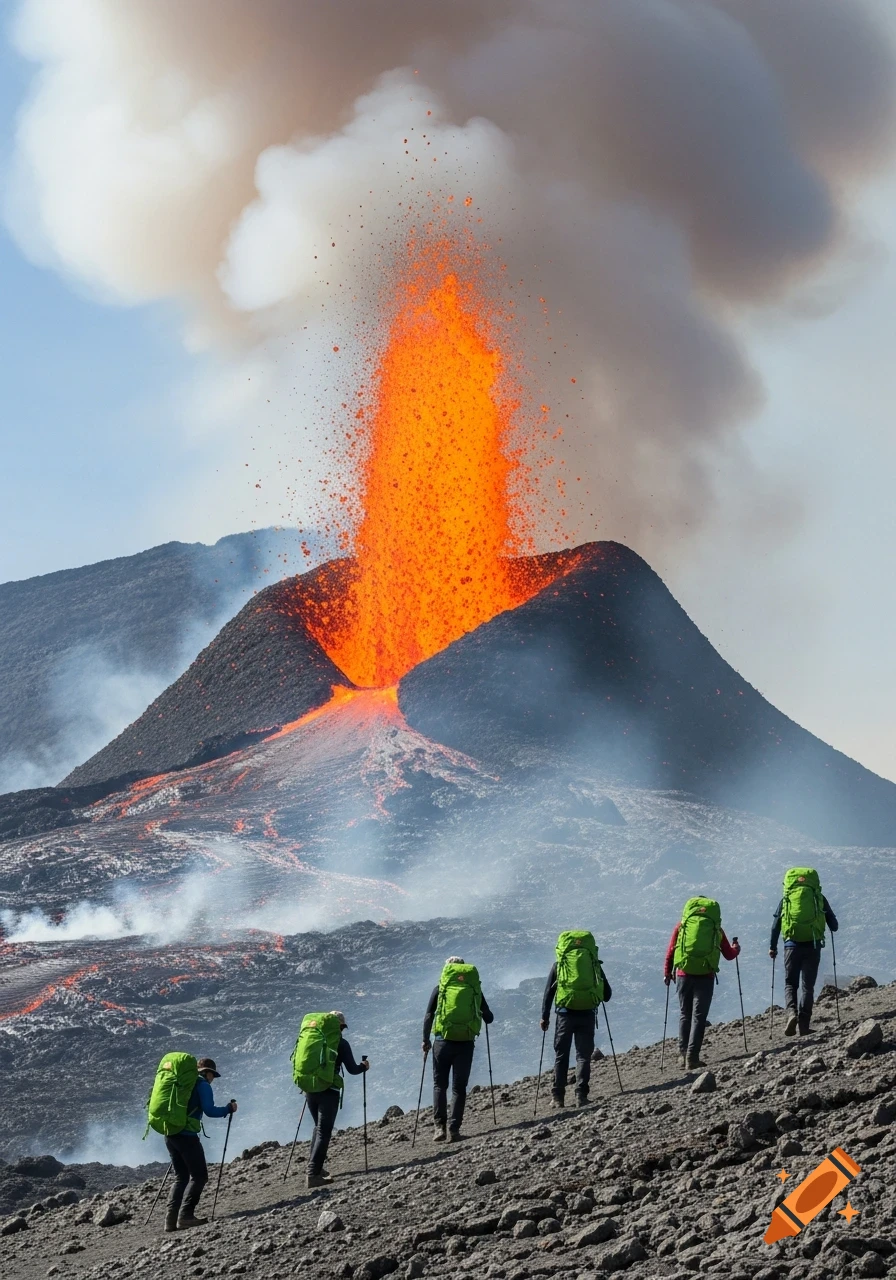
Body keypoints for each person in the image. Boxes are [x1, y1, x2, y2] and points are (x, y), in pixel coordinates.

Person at [422, 957, 494, 1142]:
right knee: (459, 1088)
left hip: (442, 1042)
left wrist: (425, 1040)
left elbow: (429, 1015)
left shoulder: (441, 988)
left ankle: (439, 1128)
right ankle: (454, 1129)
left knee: (440, 1085)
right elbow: (489, 1017)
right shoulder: (473, 989)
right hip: (465, 1043)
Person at [664, 898, 740, 1070]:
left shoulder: (682, 926)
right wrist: (737, 948)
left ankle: (682, 1055)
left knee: (685, 1014)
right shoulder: (715, 928)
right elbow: (729, 954)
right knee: (699, 1017)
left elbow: (671, 950)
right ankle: (692, 1057)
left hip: (684, 973)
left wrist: (667, 972)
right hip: (705, 975)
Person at [540, 930, 612, 1108]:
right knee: (583, 1056)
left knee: (561, 1055)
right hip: (587, 1013)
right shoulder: (593, 964)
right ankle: (581, 1095)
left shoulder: (560, 964)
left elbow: (549, 993)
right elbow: (607, 994)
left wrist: (545, 1017)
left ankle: (558, 1097)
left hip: (565, 1014)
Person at [165, 1057, 236, 1232]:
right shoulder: (203, 1085)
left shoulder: (182, 1082)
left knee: (181, 1177)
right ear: (208, 1072)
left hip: (170, 1133)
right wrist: (228, 1109)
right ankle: (186, 1216)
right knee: (200, 1176)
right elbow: (210, 1111)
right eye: (213, 1075)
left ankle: (170, 1221)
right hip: (187, 1136)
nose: (213, 1079)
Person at [769, 867, 838, 1037]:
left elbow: (775, 925)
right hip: (813, 946)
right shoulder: (819, 898)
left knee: (790, 984)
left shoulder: (786, 899)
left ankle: (791, 1014)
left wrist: (772, 947)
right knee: (808, 987)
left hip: (791, 946)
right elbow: (834, 926)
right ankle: (804, 1026)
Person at [303, 1011, 369, 1188]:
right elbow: (353, 1070)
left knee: (318, 1127)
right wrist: (364, 1067)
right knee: (324, 1132)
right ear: (339, 1026)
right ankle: (313, 1174)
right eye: (342, 1027)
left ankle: (315, 1167)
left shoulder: (314, 1040)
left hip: (310, 1089)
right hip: (328, 1090)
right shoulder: (341, 1043)